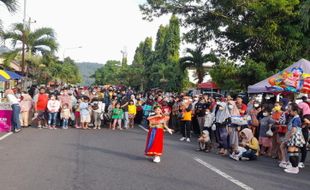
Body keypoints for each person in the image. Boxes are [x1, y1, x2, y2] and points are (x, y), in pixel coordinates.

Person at [283, 103, 305, 174]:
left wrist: (288, 138)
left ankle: (294, 168)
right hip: (297, 136)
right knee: (295, 152)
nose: (289, 112)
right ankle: (295, 167)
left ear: (294, 111)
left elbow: (293, 129)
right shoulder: (297, 117)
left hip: (294, 136)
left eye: (290, 111)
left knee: (291, 152)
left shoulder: (296, 118)